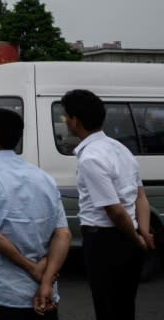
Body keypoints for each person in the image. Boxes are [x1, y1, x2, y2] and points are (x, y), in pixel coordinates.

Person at [0, 108, 71, 319]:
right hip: (43, 297)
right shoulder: (43, 178)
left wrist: (32, 269)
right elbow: (63, 234)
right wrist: (46, 281)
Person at [60, 89, 155, 320]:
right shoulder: (120, 148)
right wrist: (143, 232)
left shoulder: (91, 158)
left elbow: (113, 210)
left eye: (65, 116)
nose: (64, 121)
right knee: (125, 304)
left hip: (105, 242)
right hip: (127, 238)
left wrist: (137, 238)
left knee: (107, 307)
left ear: (76, 121)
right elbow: (140, 196)